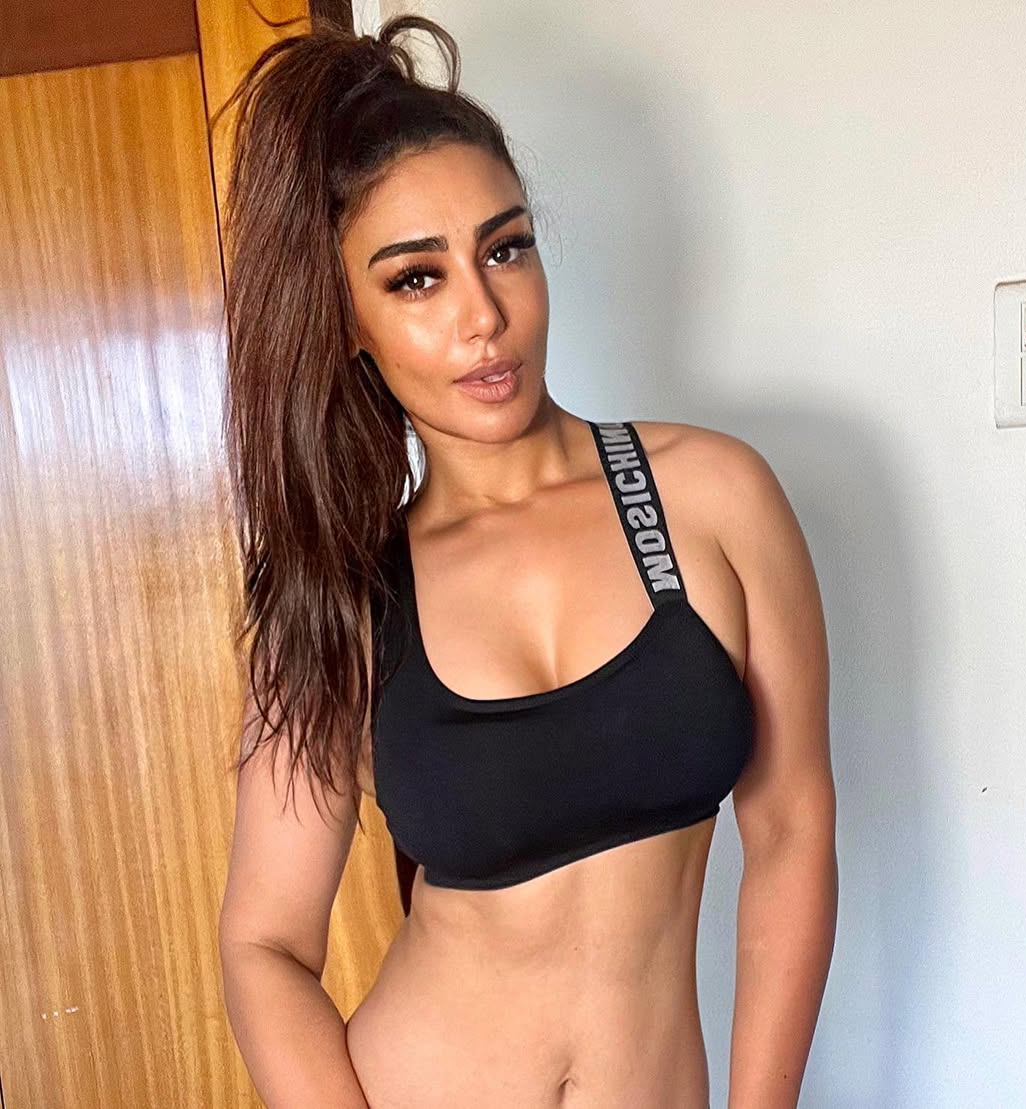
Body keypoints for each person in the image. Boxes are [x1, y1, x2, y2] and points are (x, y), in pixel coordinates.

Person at [215, 13, 838, 1109]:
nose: (485, 316)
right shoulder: (346, 595)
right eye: (416, 279)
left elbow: (790, 829)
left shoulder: (711, 498)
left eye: (504, 249)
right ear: (349, 319)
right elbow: (263, 944)